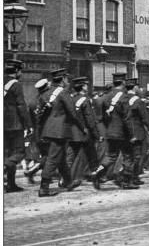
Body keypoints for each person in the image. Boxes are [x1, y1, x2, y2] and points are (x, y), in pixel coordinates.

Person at [38, 68, 85, 196]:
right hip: (59, 131)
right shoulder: (63, 93)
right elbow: (73, 113)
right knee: (53, 158)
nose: (68, 82)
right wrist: (82, 128)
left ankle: (68, 182)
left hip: (48, 130)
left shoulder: (46, 93)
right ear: (63, 79)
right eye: (67, 79)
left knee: (62, 158)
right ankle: (44, 187)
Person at [90, 73, 138, 190]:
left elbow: (103, 117)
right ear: (123, 83)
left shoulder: (106, 97)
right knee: (128, 155)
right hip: (122, 133)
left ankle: (97, 172)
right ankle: (126, 181)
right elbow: (127, 118)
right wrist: (132, 134)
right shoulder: (124, 97)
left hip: (110, 131)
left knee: (111, 156)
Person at [4, 60, 32, 193]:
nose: (20, 73)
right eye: (20, 71)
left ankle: (10, 184)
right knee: (19, 153)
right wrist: (28, 124)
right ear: (16, 71)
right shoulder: (15, 85)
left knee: (8, 153)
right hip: (14, 125)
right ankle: (5, 167)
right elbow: (21, 106)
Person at [66, 77, 99, 186]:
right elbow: (90, 119)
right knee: (92, 157)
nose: (87, 87)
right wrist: (96, 134)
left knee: (70, 157)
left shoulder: (70, 99)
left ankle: (64, 178)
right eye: (86, 85)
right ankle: (95, 179)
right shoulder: (85, 100)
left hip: (72, 133)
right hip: (84, 134)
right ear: (83, 87)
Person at [124, 78, 149, 185]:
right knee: (137, 155)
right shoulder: (138, 101)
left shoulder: (122, 99)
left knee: (128, 155)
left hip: (124, 131)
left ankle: (129, 176)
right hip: (137, 131)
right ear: (134, 87)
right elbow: (145, 118)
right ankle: (133, 177)